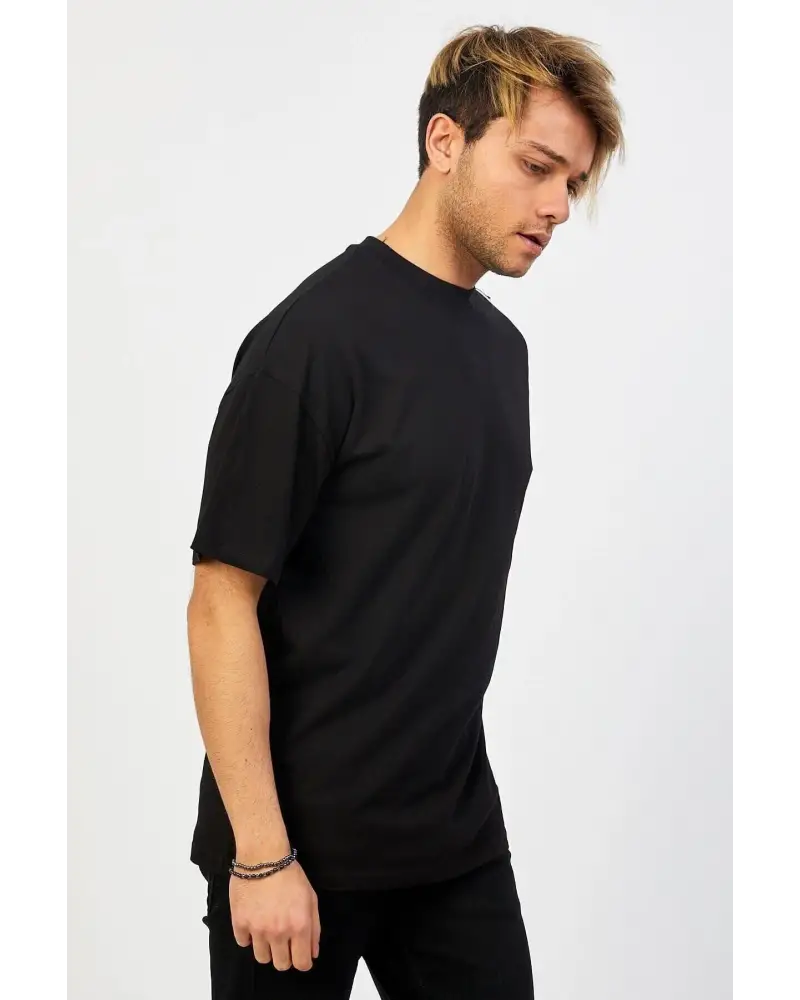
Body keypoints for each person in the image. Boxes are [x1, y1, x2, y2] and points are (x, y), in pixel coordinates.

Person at [186, 22, 624, 999]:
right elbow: (220, 599)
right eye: (536, 166)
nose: (557, 206)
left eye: (573, 183)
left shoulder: (501, 355)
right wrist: (259, 853)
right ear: (444, 142)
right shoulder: (312, 341)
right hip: (294, 850)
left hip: (452, 838)